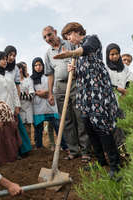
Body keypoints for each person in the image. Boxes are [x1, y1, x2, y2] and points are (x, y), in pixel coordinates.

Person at [55, 22, 121, 177]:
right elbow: (86, 71)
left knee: (103, 129)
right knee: (89, 128)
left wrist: (70, 54)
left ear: (77, 31)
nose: (69, 39)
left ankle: (115, 165)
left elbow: (87, 50)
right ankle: (100, 162)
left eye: (69, 35)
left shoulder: (92, 39)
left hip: (98, 95)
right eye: (66, 37)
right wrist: (75, 71)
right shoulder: (77, 53)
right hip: (85, 96)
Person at [42, 25, 89, 160]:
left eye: (49, 35)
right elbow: (50, 74)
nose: (48, 38)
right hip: (60, 87)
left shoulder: (70, 43)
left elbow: (81, 58)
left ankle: (85, 150)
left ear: (55, 33)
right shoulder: (48, 53)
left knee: (79, 117)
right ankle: (73, 150)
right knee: (66, 119)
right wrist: (50, 93)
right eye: (45, 37)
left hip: (75, 83)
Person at [0, 51, 23, 165]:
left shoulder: (8, 74)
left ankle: (12, 156)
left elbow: (14, 91)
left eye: (5, 59)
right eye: (2, 59)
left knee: (10, 133)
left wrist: (17, 105)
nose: (5, 61)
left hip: (10, 107)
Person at [30, 57, 68, 150]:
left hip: (50, 105)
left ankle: (64, 146)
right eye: (36, 65)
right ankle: (39, 146)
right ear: (33, 67)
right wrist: (40, 93)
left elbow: (54, 88)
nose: (38, 67)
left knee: (57, 126)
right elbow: (31, 91)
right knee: (38, 128)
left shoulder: (48, 76)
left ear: (43, 66)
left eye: (40, 65)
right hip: (38, 107)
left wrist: (45, 93)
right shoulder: (31, 79)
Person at [17, 62, 34, 143]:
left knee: (27, 131)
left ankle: (29, 149)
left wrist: (20, 94)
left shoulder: (28, 80)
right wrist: (24, 94)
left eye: (20, 69)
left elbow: (31, 95)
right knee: (19, 132)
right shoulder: (13, 82)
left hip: (27, 110)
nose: (19, 71)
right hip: (18, 110)